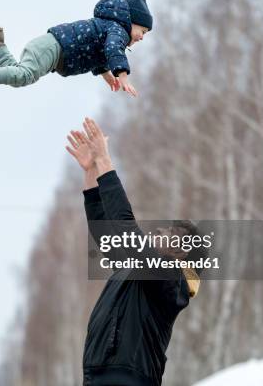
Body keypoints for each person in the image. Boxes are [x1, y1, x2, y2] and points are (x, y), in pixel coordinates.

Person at [66, 118, 207, 385]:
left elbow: (126, 229)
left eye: (172, 236)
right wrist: (90, 170)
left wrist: (105, 162)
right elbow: (106, 235)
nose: (162, 233)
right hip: (99, 377)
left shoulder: (170, 280)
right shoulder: (138, 268)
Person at [0, 0, 152, 104]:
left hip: (52, 49)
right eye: (142, 31)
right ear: (130, 21)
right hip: (54, 49)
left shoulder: (111, 29)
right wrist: (123, 76)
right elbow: (113, 49)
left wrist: (106, 74)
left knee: (19, 73)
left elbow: (99, 52)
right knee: (24, 76)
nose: (142, 37)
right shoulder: (118, 30)